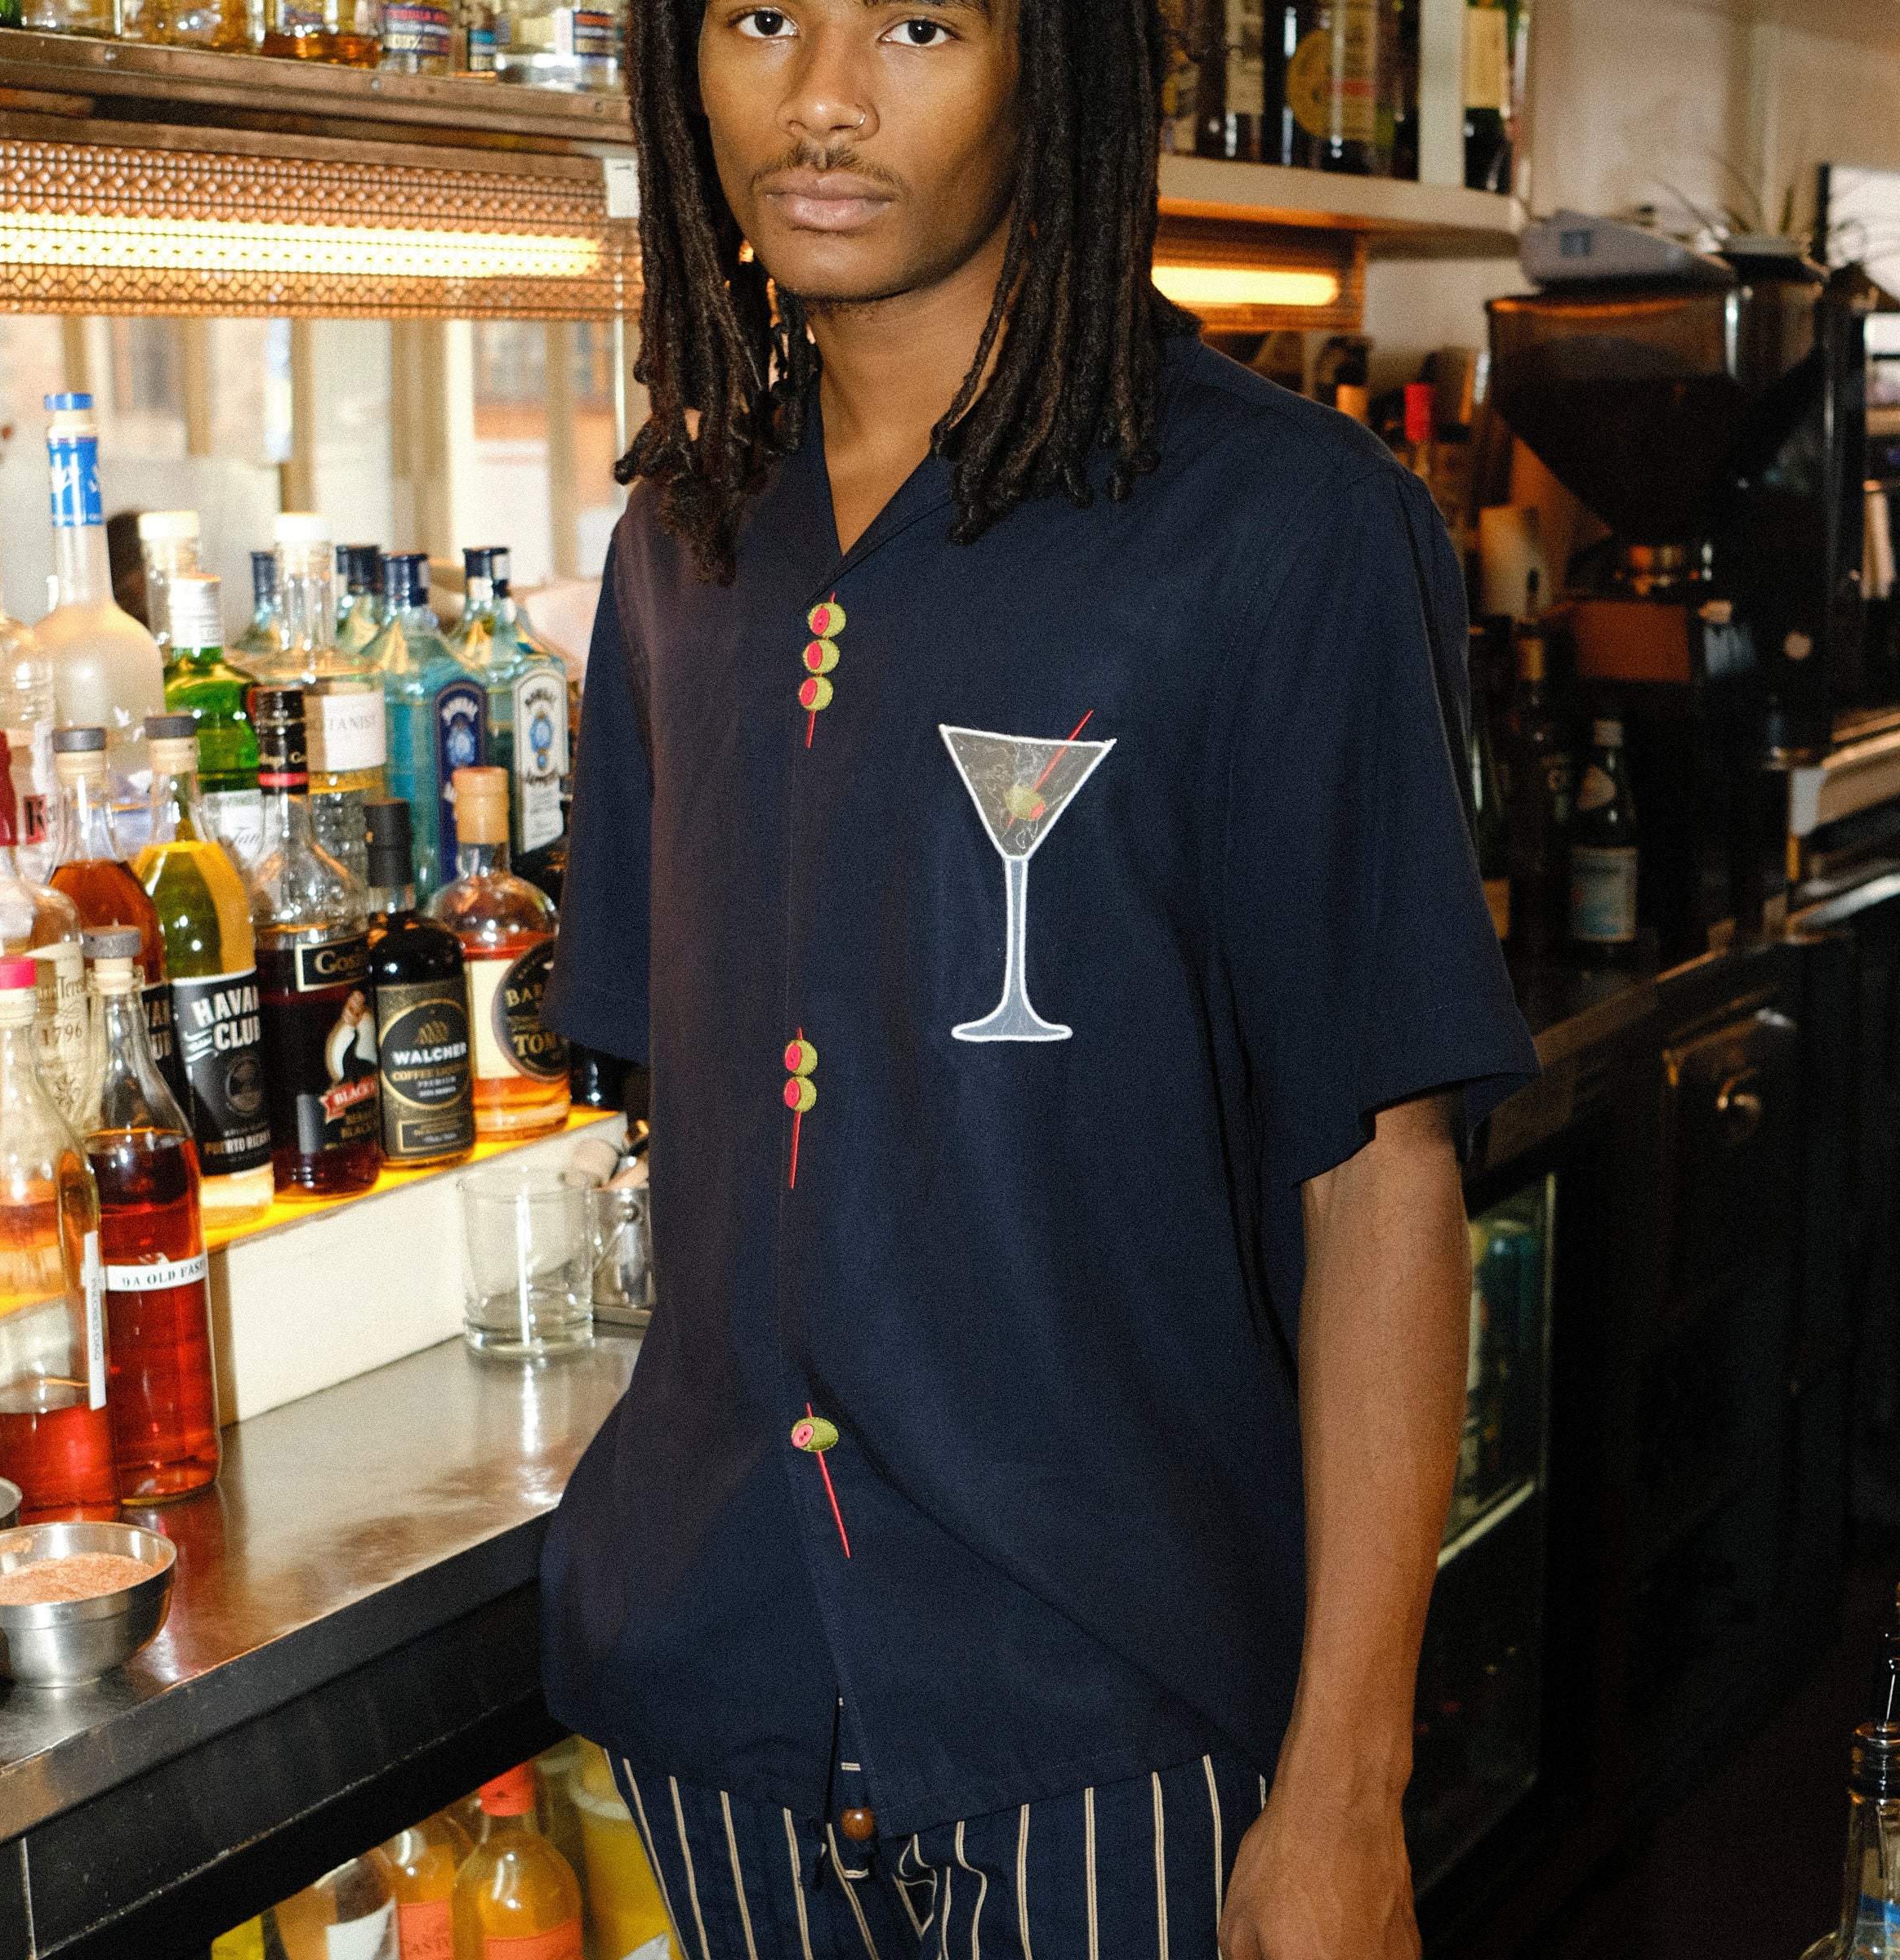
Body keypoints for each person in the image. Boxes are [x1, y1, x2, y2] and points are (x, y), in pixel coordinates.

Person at [541, 0, 1541, 1953]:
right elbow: (702, 1122)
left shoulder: (1286, 525)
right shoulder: (681, 540)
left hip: (1112, 1710)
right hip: (718, 1685)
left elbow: (1384, 1175)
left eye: (919, 23)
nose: (824, 101)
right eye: (762, 18)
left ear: (1055, 65)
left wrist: (1347, 1787)